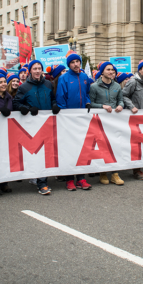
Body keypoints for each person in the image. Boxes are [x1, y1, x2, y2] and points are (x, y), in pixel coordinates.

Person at [14, 60, 60, 194]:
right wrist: (27, 108)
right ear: (30, 71)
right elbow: (16, 103)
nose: (37, 71)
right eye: (35, 68)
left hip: (47, 123)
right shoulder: (24, 87)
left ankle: (42, 180)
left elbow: (52, 99)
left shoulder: (48, 84)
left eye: (39, 68)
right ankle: (41, 183)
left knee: (46, 152)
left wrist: (54, 105)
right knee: (37, 153)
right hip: (32, 125)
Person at [56, 51, 92, 190]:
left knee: (81, 148)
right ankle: (69, 179)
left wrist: (88, 102)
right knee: (70, 149)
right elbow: (60, 97)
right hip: (69, 119)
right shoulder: (64, 78)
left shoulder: (84, 77)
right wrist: (65, 115)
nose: (76, 64)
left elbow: (87, 93)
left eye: (77, 61)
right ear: (69, 64)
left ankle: (81, 178)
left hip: (82, 117)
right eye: (72, 62)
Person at [89, 61, 125, 185]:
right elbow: (90, 103)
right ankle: (103, 173)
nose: (111, 72)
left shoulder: (117, 86)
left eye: (113, 70)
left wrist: (120, 105)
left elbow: (121, 100)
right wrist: (101, 106)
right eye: (108, 70)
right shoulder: (94, 86)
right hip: (101, 121)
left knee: (116, 145)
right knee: (103, 146)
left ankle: (115, 174)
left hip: (114, 120)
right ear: (102, 71)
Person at [122, 60, 143, 180]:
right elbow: (123, 95)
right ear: (139, 70)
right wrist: (131, 106)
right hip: (133, 117)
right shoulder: (133, 82)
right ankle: (137, 170)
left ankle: (140, 166)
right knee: (136, 144)